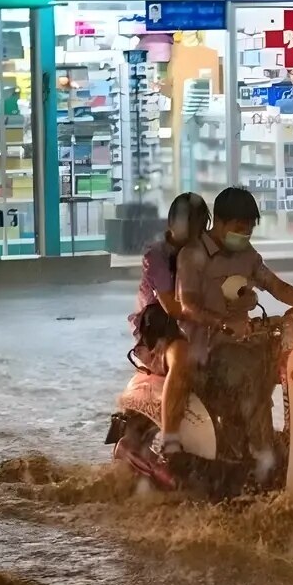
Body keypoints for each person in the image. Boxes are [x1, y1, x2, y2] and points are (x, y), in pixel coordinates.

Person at [175, 187, 293, 476]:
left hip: (242, 343)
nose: (244, 235)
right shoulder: (193, 255)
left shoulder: (246, 255)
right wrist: (223, 323)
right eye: (238, 228)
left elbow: (276, 286)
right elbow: (187, 306)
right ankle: (263, 458)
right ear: (218, 222)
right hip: (208, 352)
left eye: (250, 229)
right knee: (252, 371)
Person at [128, 192, 211, 455]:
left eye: (198, 227)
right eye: (187, 226)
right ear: (171, 223)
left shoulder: (204, 253)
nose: (192, 234)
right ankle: (170, 438)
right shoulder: (156, 256)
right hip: (158, 324)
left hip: (192, 323)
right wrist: (218, 318)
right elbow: (173, 308)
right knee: (182, 358)